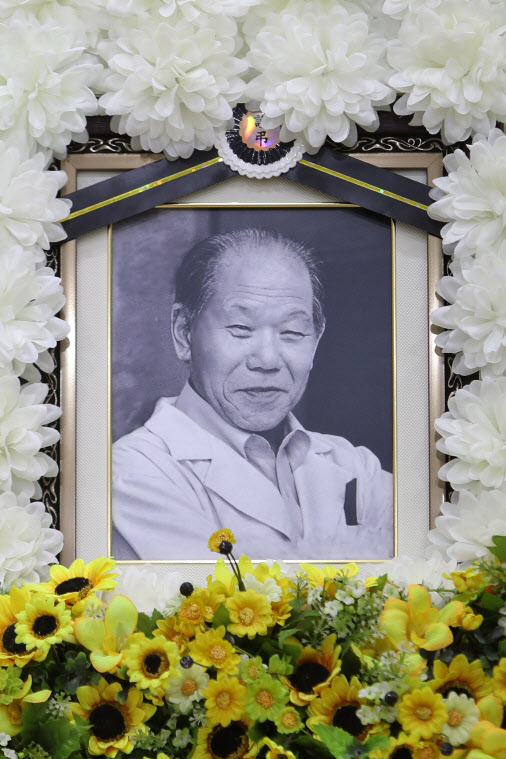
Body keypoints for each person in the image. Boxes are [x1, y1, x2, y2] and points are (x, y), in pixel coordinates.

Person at [112, 228, 393, 560]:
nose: (268, 360)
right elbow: (234, 604)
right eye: (240, 329)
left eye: (292, 331)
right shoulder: (135, 471)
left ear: (316, 340)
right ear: (184, 332)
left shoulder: (354, 464)